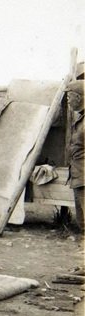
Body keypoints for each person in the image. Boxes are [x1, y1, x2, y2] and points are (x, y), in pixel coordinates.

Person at [66, 80, 84, 232]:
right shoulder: (80, 119)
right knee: (81, 220)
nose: (68, 101)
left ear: (79, 97)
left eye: (69, 97)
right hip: (78, 176)